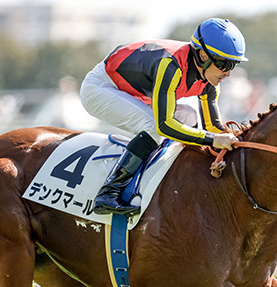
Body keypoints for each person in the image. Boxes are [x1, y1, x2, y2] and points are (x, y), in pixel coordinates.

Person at [80, 17, 248, 215]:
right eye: (224, 64)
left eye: (233, 65)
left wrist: (238, 141)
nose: (228, 73)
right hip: (101, 87)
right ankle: (109, 192)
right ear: (203, 55)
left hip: (134, 91)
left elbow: (212, 126)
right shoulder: (171, 65)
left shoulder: (209, 81)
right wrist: (213, 139)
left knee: (189, 115)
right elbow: (164, 126)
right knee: (152, 126)